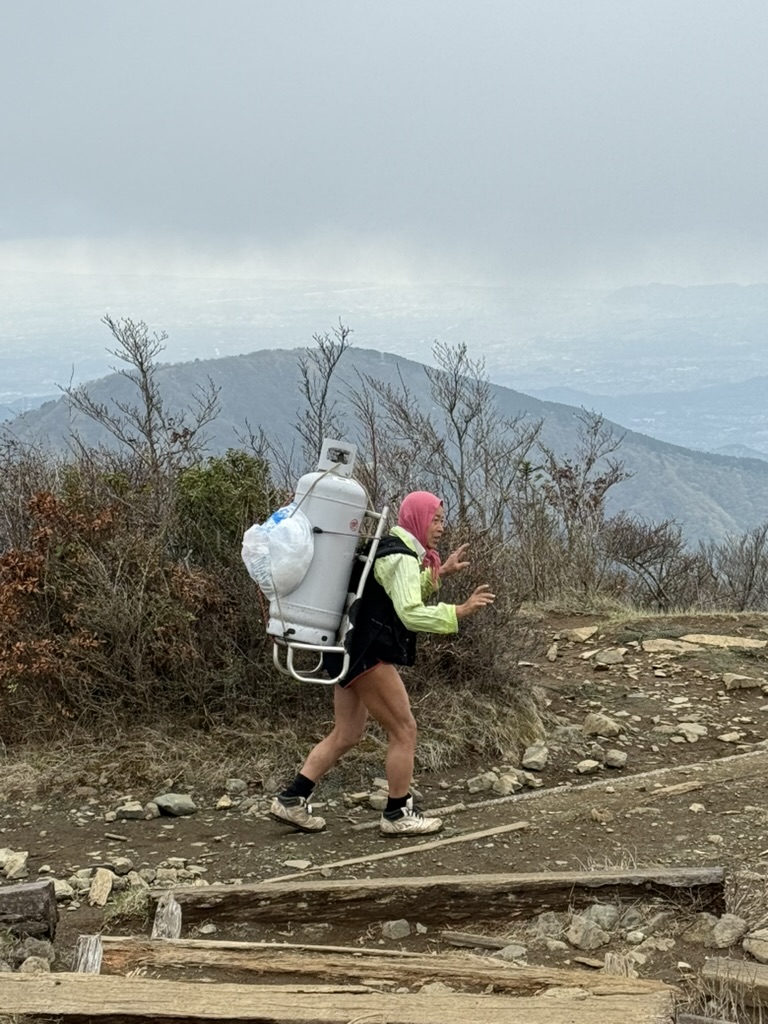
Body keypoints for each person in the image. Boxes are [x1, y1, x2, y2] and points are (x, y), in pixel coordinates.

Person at [269, 490, 495, 837]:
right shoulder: (401, 557)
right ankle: (397, 812)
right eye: (435, 519)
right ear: (417, 519)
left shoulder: (390, 548)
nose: (440, 527)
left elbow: (400, 591)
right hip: (368, 655)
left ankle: (292, 798)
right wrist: (458, 612)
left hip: (345, 650)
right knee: (404, 730)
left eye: (442, 520)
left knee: (348, 733)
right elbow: (411, 612)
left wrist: (441, 572)